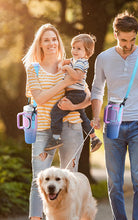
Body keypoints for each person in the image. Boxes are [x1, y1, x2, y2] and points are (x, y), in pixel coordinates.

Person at [91, 11, 138, 220]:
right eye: (124, 40)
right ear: (116, 34)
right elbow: (97, 90)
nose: (128, 45)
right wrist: (96, 115)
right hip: (112, 125)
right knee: (114, 182)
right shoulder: (104, 58)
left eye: (132, 39)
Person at [22, 23, 90, 220]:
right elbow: (40, 98)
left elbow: (87, 96)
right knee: (39, 181)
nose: (51, 43)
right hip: (43, 129)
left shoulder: (70, 65)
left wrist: (73, 107)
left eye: (54, 39)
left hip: (71, 126)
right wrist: (65, 82)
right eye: (46, 40)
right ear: (40, 44)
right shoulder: (33, 68)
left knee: (70, 181)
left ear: (58, 42)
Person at [49, 34, 102, 152]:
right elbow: (66, 61)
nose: (74, 51)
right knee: (82, 117)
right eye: (73, 47)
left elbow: (77, 76)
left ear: (87, 52)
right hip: (77, 94)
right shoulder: (75, 60)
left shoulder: (82, 62)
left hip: (75, 94)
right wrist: (61, 64)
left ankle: (55, 138)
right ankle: (94, 138)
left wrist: (67, 68)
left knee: (55, 112)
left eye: (79, 48)